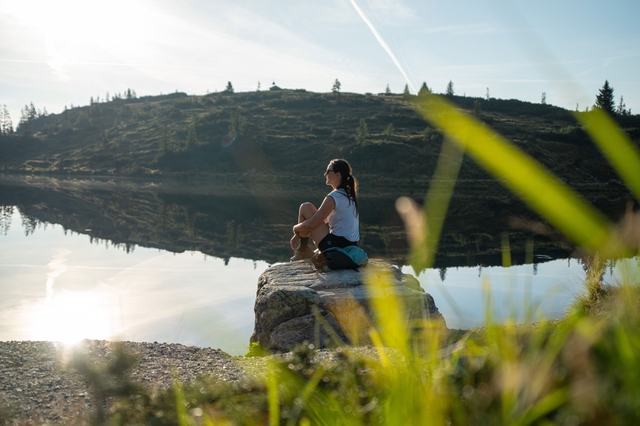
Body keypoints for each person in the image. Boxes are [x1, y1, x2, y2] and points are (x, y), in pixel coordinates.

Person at [290, 158, 360, 261]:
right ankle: (303, 249)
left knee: (305, 207)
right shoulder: (348, 194)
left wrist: (296, 229)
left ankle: (303, 250)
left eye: (328, 171)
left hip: (337, 247)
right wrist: (299, 233)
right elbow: (321, 220)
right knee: (308, 209)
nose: (325, 174)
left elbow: (311, 224)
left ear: (338, 175)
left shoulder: (334, 197)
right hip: (350, 245)